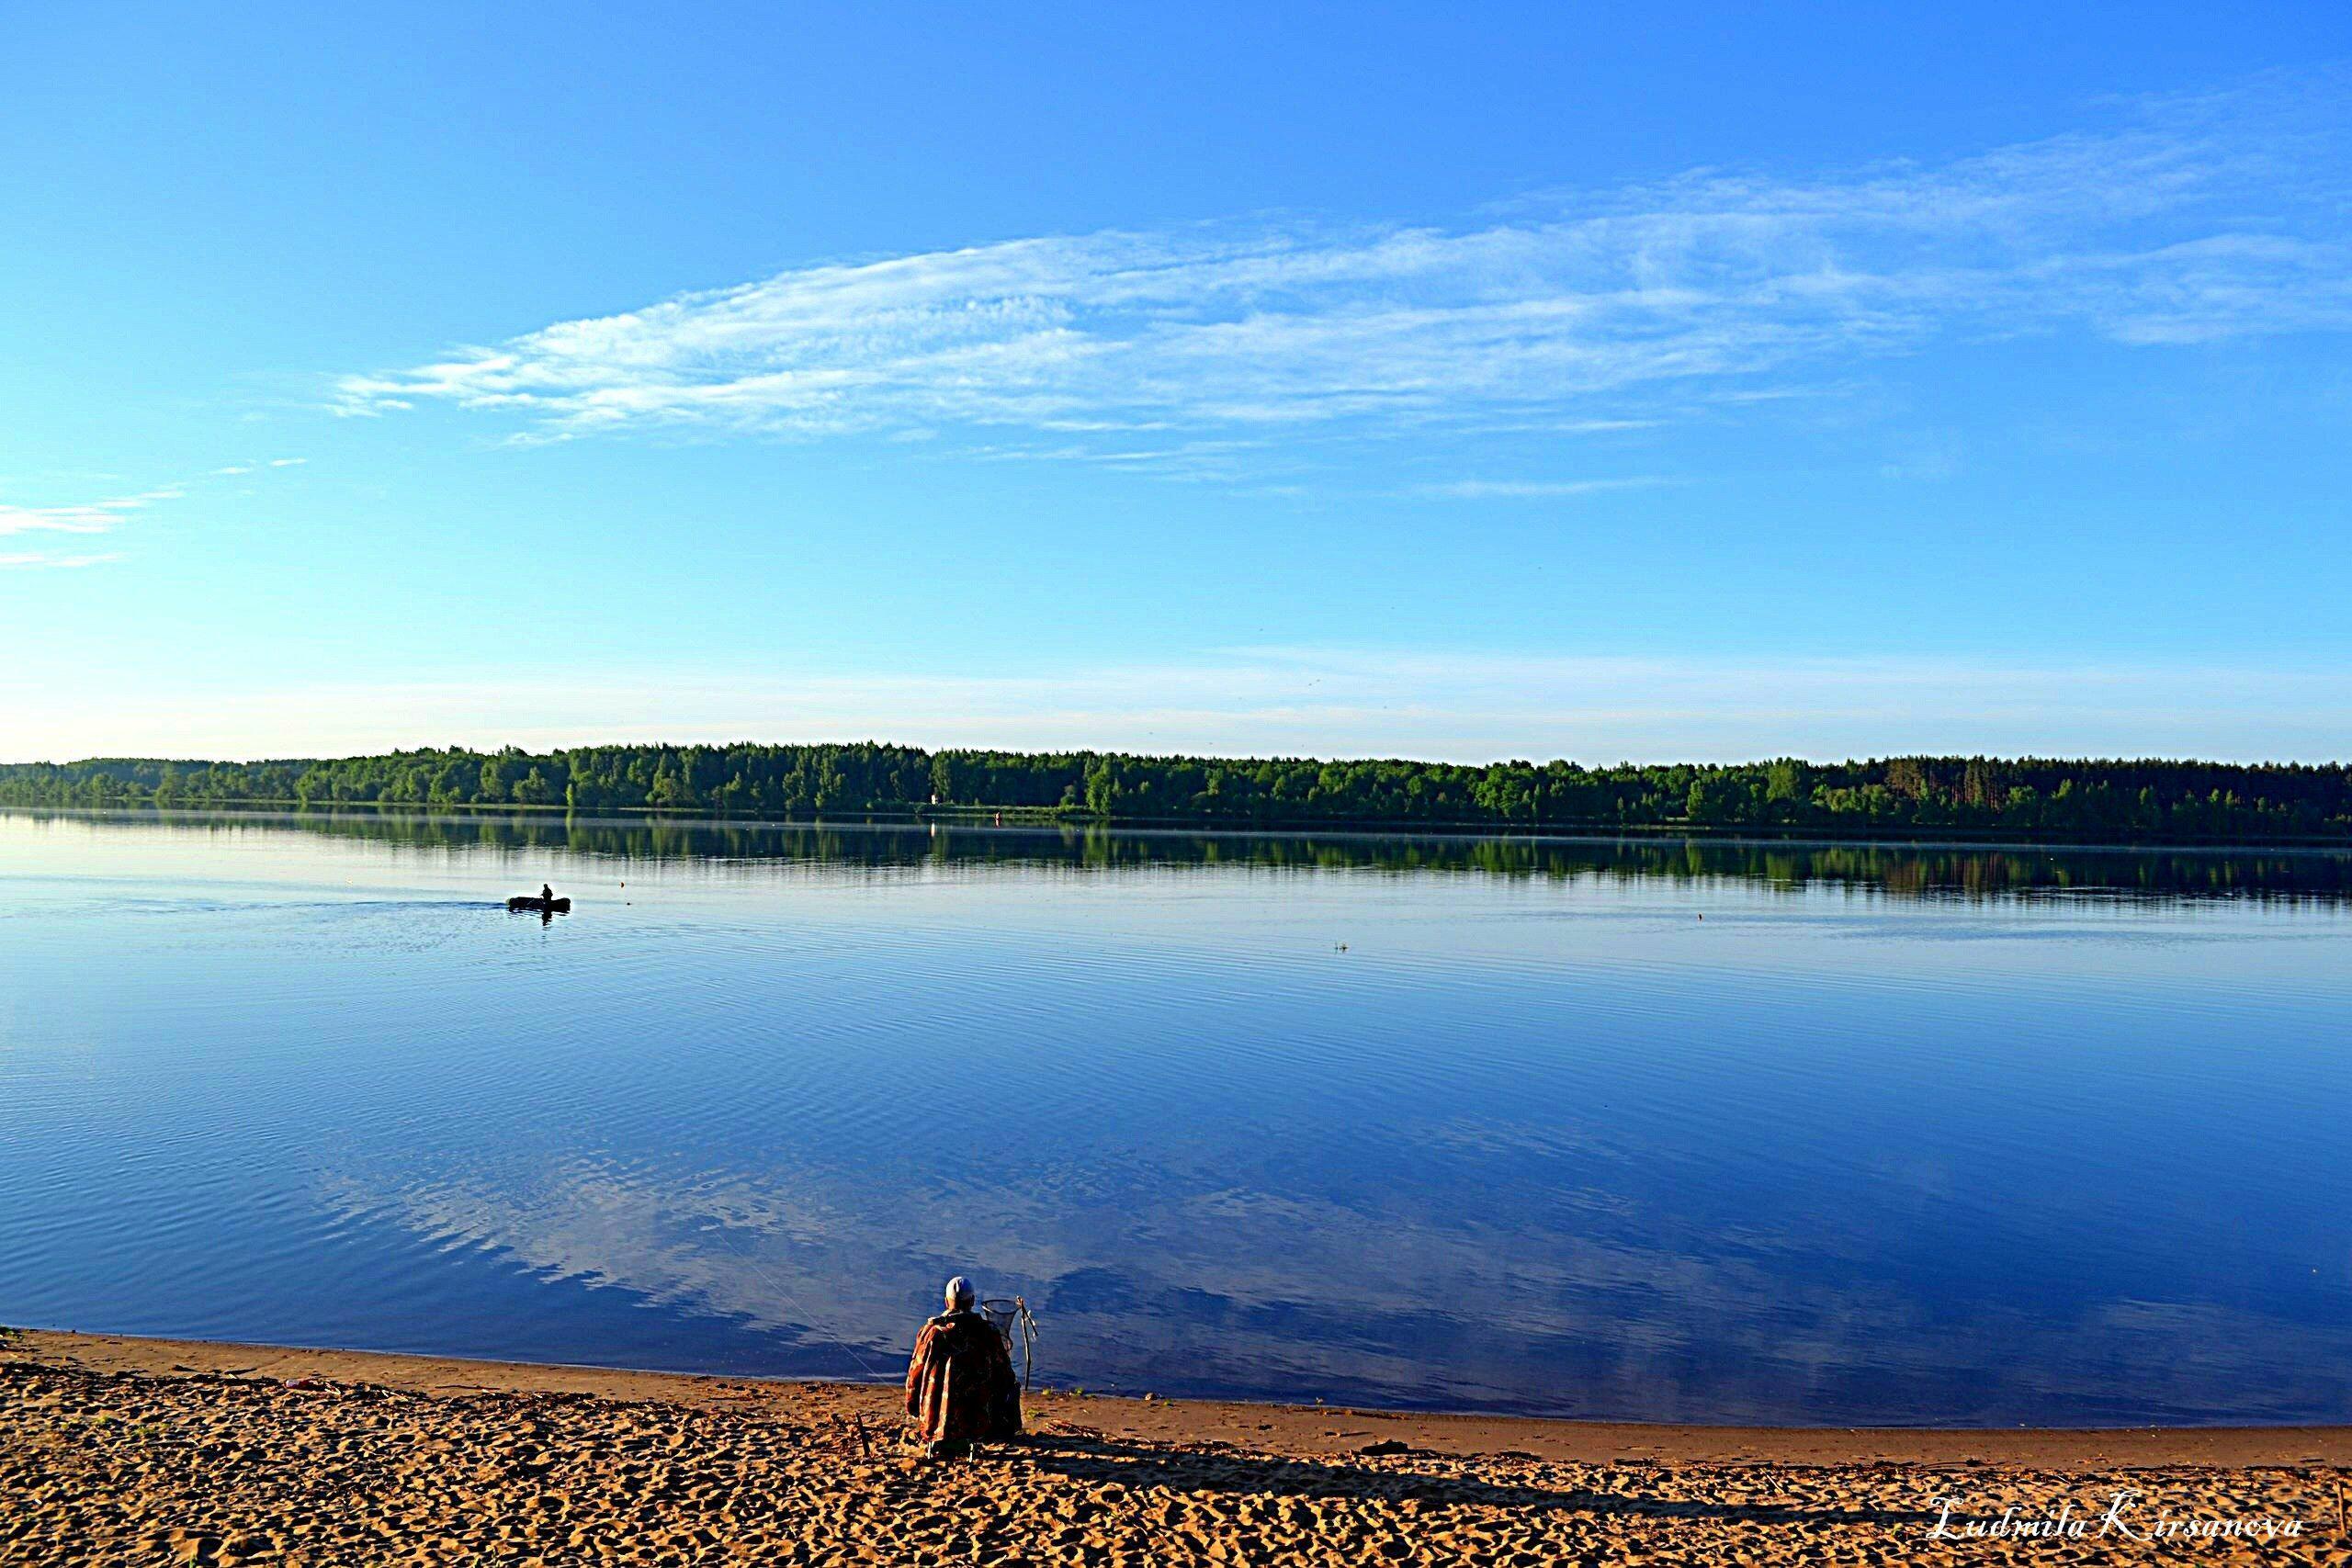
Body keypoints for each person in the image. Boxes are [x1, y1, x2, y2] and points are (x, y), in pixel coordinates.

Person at [903, 1276, 1021, 1457]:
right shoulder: (988, 1332)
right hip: (978, 1424)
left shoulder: (931, 1333)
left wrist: (913, 1407)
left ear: (946, 1301)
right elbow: (1005, 1377)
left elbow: (915, 1374)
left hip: (934, 1422)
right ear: (972, 1301)